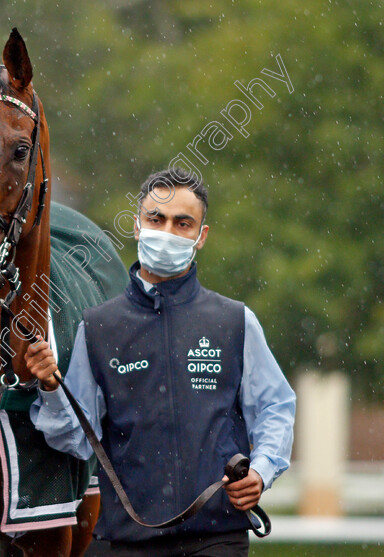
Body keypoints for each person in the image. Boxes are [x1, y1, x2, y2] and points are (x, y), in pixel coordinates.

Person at [26, 169, 296, 557]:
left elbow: (275, 406)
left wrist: (262, 470)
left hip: (216, 538)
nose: (167, 231)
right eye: (156, 219)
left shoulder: (235, 320)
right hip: (123, 540)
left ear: (201, 236)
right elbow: (75, 439)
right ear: (137, 227)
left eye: (182, 223)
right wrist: (51, 388)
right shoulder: (98, 326)